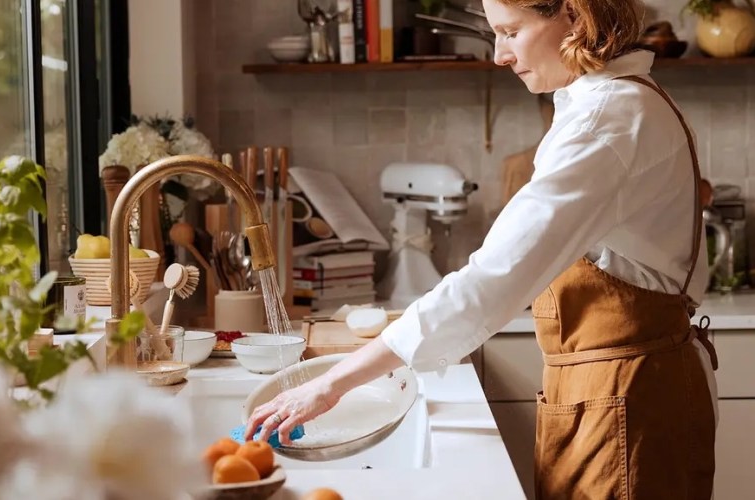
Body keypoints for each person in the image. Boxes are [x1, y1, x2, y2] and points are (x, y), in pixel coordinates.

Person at [245, 1, 719, 497]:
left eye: (511, 31)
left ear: (575, 17)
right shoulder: (616, 101)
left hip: (627, 398)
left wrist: (332, 384)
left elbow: (493, 278)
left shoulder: (607, 119)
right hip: (614, 392)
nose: (499, 55)